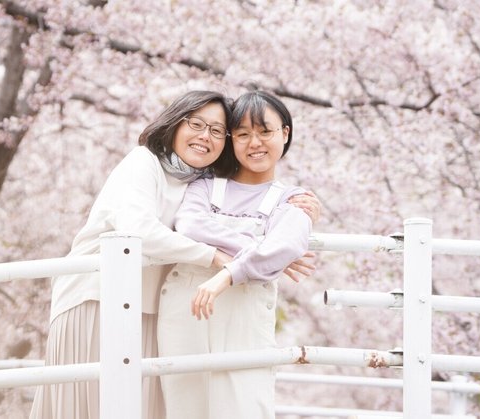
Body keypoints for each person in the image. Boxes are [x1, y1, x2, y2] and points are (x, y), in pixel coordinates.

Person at [30, 90, 320, 419]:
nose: (204, 136)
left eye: (216, 131)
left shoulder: (201, 181)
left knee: (144, 408)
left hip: (150, 308)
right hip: (97, 297)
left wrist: (275, 250)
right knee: (92, 405)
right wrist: (239, 256)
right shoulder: (144, 162)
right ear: (175, 123)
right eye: (196, 124)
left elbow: (261, 229)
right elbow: (139, 230)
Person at [157, 90, 314, 419]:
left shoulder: (293, 200)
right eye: (243, 134)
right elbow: (190, 226)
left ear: (285, 133)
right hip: (186, 310)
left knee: (245, 405)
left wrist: (229, 273)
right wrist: (259, 252)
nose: (254, 142)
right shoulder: (205, 185)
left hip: (244, 315)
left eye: (265, 131)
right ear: (231, 139)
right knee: (185, 408)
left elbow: (285, 245)